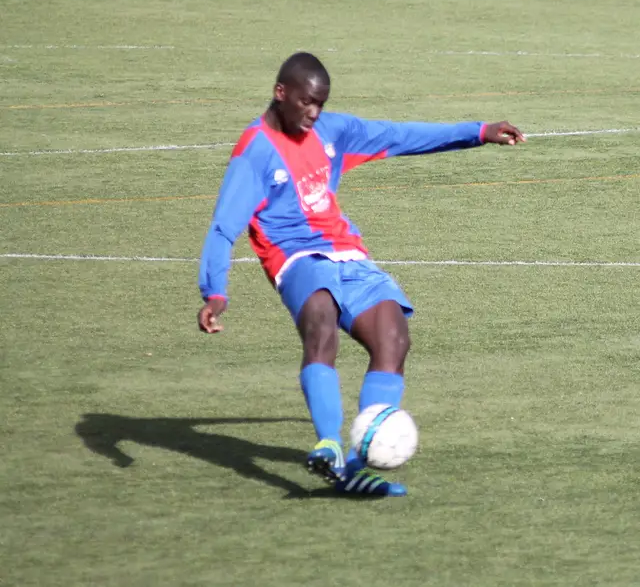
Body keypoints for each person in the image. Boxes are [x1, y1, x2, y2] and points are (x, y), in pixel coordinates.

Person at [196, 52, 526, 497]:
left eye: (321, 103)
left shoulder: (332, 132)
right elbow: (223, 226)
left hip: (347, 254)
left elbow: (399, 135)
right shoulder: (255, 152)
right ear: (281, 94)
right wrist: (215, 290)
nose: (313, 113)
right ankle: (329, 444)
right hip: (296, 259)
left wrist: (478, 133)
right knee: (321, 319)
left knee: (394, 337)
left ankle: (356, 459)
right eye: (306, 102)